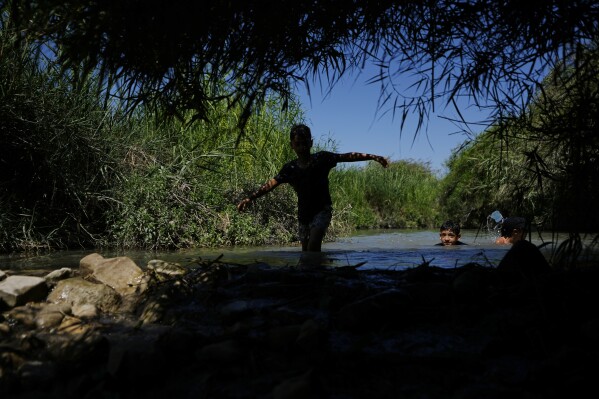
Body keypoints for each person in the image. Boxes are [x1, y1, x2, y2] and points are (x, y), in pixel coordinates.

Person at [237, 124, 389, 252]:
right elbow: (270, 185)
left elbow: (347, 156)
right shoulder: (290, 168)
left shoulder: (322, 159)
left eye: (305, 143)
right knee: (305, 253)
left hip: (322, 210)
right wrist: (250, 198)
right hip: (303, 215)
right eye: (298, 144)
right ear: (292, 145)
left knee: (313, 247)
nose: (302, 148)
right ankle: (315, 277)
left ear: (311, 143)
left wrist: (372, 156)